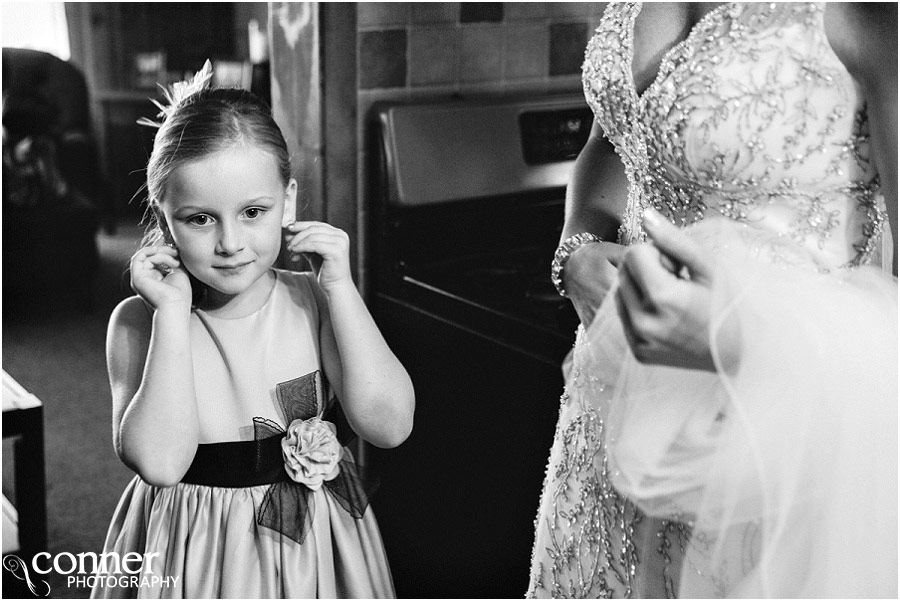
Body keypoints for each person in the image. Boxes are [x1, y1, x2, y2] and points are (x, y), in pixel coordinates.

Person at [529, 2, 896, 598]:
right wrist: (578, 247)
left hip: (779, 446)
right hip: (608, 430)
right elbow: (612, 137)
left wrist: (737, 339)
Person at [92, 62, 414, 599]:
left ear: (287, 200)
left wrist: (341, 290)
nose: (230, 243)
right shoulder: (138, 322)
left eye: (252, 212)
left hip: (308, 547)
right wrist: (172, 317)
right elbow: (160, 463)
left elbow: (389, 426)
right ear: (163, 216)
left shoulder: (315, 301)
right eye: (200, 218)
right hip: (191, 548)